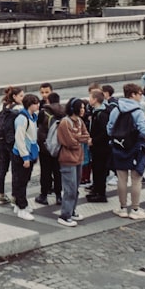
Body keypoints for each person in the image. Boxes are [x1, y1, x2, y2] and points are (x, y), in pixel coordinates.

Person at [107, 83, 145, 220]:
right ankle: (135, 209)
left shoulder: (116, 109)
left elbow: (109, 129)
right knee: (136, 179)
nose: (141, 96)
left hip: (119, 146)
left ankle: (122, 208)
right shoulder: (138, 111)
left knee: (121, 178)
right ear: (133, 94)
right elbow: (143, 130)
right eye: (139, 93)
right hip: (135, 147)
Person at [56, 97, 91, 227]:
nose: (83, 110)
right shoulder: (65, 123)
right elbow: (69, 143)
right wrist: (79, 139)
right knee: (69, 188)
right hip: (67, 159)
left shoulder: (80, 122)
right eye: (80, 107)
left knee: (75, 188)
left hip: (78, 158)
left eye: (83, 107)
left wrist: (77, 138)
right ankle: (64, 215)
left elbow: (86, 136)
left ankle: (72, 210)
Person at [11, 93, 40, 221]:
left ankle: (20, 204)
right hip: (23, 155)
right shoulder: (22, 119)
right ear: (30, 105)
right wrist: (25, 157)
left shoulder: (33, 116)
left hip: (30, 152)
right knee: (21, 182)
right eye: (36, 103)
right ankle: (21, 207)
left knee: (24, 180)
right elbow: (20, 139)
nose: (38, 105)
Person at [0, 86, 23, 205]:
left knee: (2, 168)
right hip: (12, 142)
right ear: (14, 96)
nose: (23, 98)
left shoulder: (3, 105)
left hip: (2, 141)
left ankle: (0, 195)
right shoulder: (19, 108)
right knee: (15, 169)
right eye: (21, 96)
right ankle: (14, 196)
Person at [35, 91, 63, 206]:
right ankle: (59, 196)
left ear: (48, 101)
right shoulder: (64, 112)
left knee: (45, 172)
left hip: (45, 146)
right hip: (59, 146)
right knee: (58, 172)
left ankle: (44, 195)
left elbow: (38, 125)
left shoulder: (43, 112)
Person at [85, 88, 112, 203]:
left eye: (90, 97)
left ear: (95, 99)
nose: (89, 100)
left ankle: (101, 193)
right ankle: (96, 189)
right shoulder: (96, 111)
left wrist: (93, 140)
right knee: (96, 169)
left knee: (100, 170)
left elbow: (105, 133)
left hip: (101, 148)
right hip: (97, 147)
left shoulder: (101, 114)